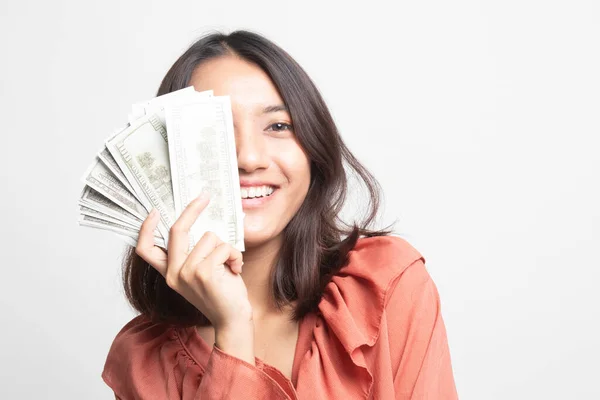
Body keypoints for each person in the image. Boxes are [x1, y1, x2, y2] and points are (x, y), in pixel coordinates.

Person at [102, 30, 458, 399]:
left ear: (313, 150)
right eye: (214, 132)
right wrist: (234, 330)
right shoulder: (144, 362)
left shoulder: (384, 285)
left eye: (278, 126)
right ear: (162, 165)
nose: (249, 158)